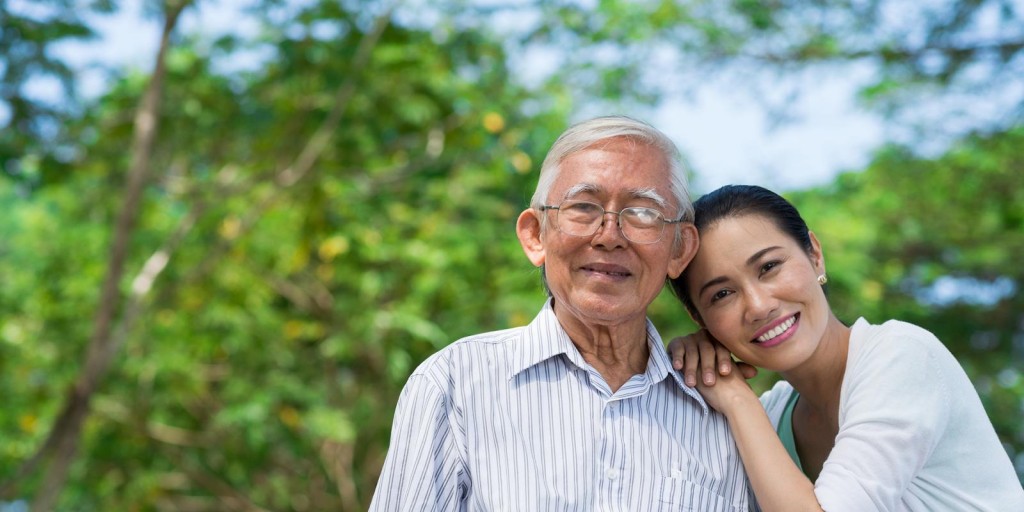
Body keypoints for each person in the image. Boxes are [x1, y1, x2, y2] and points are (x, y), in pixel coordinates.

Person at [370, 116, 754, 511]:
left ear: (679, 249)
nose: (609, 236)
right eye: (583, 207)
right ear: (536, 235)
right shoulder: (455, 384)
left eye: (643, 213)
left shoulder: (721, 408)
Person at [667, 184, 1024, 511]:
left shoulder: (901, 355)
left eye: (769, 266)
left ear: (815, 255)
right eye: (722, 295)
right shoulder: (772, 417)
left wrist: (736, 398)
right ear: (700, 319)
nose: (759, 305)